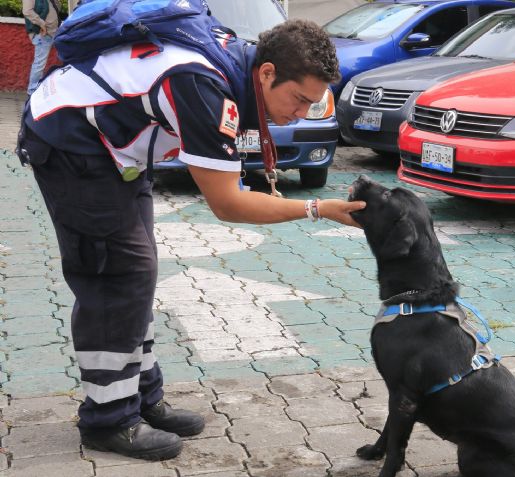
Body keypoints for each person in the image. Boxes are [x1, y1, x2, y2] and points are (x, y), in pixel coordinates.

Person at [17, 19, 365, 460]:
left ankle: (141, 398)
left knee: (137, 273)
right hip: (72, 142)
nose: (300, 113)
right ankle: (108, 419)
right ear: (268, 73)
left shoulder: (233, 69)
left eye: (312, 105)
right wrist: (319, 208)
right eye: (299, 100)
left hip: (116, 148)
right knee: (115, 276)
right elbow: (228, 203)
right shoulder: (203, 85)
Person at [22, 0, 60, 95]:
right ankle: (32, 91)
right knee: (39, 64)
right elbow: (27, 11)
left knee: (66, 58)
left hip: (54, 32)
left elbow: (57, 8)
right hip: (42, 33)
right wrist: (41, 23)